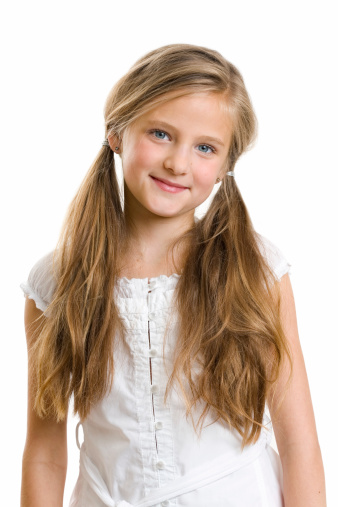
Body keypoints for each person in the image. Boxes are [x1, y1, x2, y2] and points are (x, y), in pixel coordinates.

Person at [20, 44, 326, 507]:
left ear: (225, 167)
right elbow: (44, 450)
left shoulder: (255, 269)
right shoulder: (57, 281)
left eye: (205, 147)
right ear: (117, 132)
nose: (178, 163)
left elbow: (299, 442)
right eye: (161, 134)